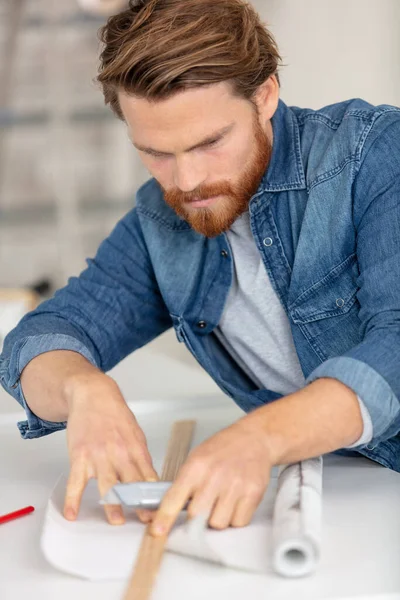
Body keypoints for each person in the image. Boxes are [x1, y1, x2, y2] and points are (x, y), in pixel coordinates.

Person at [1, 0, 400, 539]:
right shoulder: (160, 220)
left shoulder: (374, 156)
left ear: (265, 94)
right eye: (156, 152)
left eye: (210, 143)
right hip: (359, 500)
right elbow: (40, 336)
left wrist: (261, 438)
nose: (187, 181)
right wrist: (83, 390)